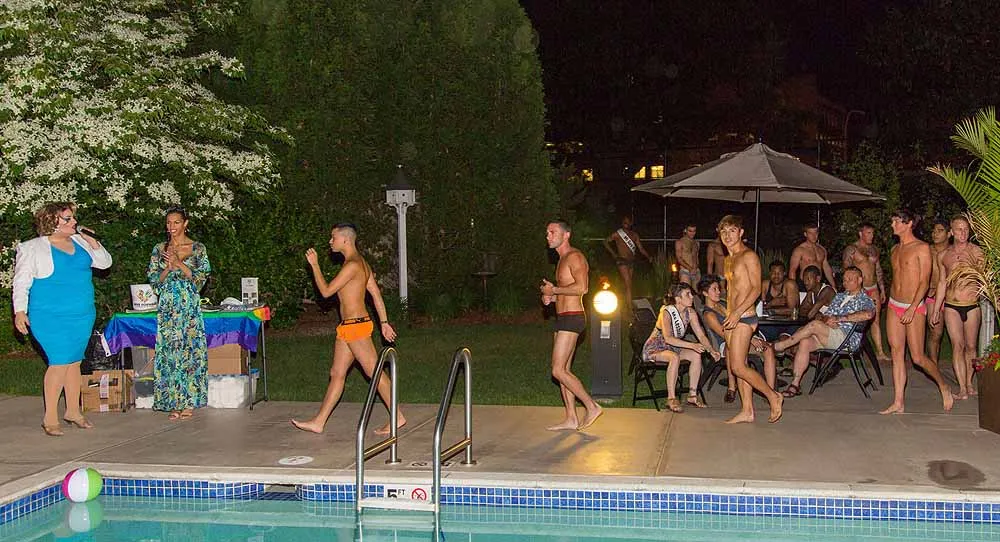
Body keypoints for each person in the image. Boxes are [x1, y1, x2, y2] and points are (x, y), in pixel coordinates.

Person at [292, 223, 406, 434]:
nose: (330, 241)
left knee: (375, 373)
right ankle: (319, 422)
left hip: (356, 328)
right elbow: (376, 295)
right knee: (337, 373)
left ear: (345, 239)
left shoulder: (352, 266)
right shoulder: (361, 263)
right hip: (348, 328)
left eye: (333, 237)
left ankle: (397, 416)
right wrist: (383, 322)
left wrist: (315, 265)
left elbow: (326, 292)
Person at [13, 202, 112, 436]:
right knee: (59, 362)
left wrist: (93, 242)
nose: (74, 222)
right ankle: (50, 418)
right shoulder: (32, 248)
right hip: (49, 316)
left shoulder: (80, 242)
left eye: (73, 217)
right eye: (68, 219)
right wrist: (20, 311)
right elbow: (21, 281)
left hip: (81, 314)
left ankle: (73, 411)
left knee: (74, 362)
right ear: (52, 223)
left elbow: (104, 263)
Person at [881, 208, 954, 415]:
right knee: (896, 353)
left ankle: (943, 385)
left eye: (896, 221)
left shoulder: (922, 248)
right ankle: (898, 401)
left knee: (918, 357)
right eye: (893, 221)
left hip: (914, 306)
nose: (893, 225)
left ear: (909, 224)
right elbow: (897, 278)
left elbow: (923, 281)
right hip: (894, 305)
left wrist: (913, 307)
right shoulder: (895, 249)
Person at [717, 215, 783, 424]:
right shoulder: (728, 259)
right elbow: (732, 291)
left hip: (744, 317)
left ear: (741, 232)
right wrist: (727, 312)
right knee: (741, 365)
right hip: (731, 318)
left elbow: (755, 289)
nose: (727, 235)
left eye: (732, 231)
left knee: (737, 367)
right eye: (723, 232)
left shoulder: (749, 256)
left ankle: (773, 396)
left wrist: (737, 313)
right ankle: (747, 411)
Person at [147, 206, 211, 421]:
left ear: (185, 223)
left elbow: (200, 279)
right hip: (167, 305)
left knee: (189, 351)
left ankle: (189, 401)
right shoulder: (159, 248)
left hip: (188, 304)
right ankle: (173, 401)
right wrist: (167, 267)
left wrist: (179, 264)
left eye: (176, 222)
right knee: (170, 353)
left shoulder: (197, 248)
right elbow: (154, 281)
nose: (171, 226)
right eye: (168, 222)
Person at [772, 267, 875, 398]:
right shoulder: (840, 296)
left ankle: (782, 345)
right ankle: (795, 384)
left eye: (850, 279)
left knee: (814, 325)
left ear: (859, 280)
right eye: (844, 280)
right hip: (830, 334)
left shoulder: (864, 299)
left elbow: (868, 314)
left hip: (846, 339)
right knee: (804, 342)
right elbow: (825, 315)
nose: (846, 282)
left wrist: (840, 318)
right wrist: (828, 320)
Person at [540, 220, 603, 431]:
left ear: (566, 235)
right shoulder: (561, 260)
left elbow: (582, 288)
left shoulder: (575, 257)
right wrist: (551, 298)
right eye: (547, 232)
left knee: (557, 370)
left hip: (573, 317)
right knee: (564, 370)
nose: (548, 236)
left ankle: (591, 406)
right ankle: (571, 418)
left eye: (553, 232)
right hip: (562, 317)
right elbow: (566, 291)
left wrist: (555, 290)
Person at [930, 215, 985, 400]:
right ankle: (962, 388)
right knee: (957, 345)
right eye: (959, 229)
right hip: (951, 305)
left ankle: (969, 383)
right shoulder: (943, 255)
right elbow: (942, 283)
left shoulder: (976, 252)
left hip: (971, 305)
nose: (963, 233)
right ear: (952, 232)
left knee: (971, 346)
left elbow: (985, 279)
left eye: (966, 229)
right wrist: (936, 309)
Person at [642, 282, 720, 412]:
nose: (692, 297)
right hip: (656, 348)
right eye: (688, 294)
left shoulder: (691, 313)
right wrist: (692, 345)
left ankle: (692, 396)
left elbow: (701, 336)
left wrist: (712, 350)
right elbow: (668, 338)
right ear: (678, 299)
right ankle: (671, 399)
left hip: (674, 347)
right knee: (674, 358)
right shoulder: (666, 312)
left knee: (696, 354)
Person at [698, 276, 777, 403]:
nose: (718, 292)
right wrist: (750, 339)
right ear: (705, 293)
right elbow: (725, 335)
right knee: (731, 346)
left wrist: (751, 336)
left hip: (742, 337)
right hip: (725, 344)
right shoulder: (709, 314)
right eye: (714, 289)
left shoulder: (723, 304)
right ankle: (732, 386)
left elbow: (742, 321)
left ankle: (771, 392)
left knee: (768, 349)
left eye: (718, 288)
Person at [842, 223, 889, 361]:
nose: (871, 236)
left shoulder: (874, 250)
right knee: (855, 320)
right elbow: (846, 271)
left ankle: (880, 352)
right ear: (860, 233)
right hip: (858, 290)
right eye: (868, 233)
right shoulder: (852, 249)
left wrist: (882, 289)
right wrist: (850, 290)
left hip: (873, 288)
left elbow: (878, 270)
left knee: (875, 320)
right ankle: (851, 349)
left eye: (872, 233)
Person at [603, 215, 652, 311]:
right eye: (624, 221)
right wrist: (614, 254)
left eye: (627, 222)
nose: (625, 223)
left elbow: (641, 249)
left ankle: (625, 304)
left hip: (631, 262)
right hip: (622, 261)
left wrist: (648, 256)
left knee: (628, 285)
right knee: (628, 284)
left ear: (630, 223)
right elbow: (605, 241)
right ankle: (630, 308)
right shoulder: (618, 233)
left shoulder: (634, 235)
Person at [926, 219, 950, 364]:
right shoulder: (927, 250)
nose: (935, 234)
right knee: (936, 332)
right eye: (934, 231)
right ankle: (933, 365)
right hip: (932, 296)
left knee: (957, 337)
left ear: (949, 234)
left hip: (951, 297)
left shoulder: (953, 252)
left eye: (940, 231)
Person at [788, 224, 836, 288]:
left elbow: (826, 268)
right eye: (810, 233)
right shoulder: (799, 250)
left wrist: (833, 285)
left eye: (816, 233)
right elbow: (792, 270)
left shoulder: (822, 249)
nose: (814, 236)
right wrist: (793, 288)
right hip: (804, 284)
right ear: (805, 234)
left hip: (818, 283)